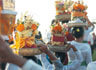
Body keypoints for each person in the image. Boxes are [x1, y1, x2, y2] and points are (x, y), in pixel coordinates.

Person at [0, 35, 82, 70]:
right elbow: (59, 66)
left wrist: (46, 51)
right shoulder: (67, 68)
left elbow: (55, 64)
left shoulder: (48, 67)